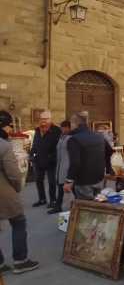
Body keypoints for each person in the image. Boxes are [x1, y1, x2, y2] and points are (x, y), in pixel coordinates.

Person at [0, 110, 39, 274]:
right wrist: (17, 188)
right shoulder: (4, 145)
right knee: (18, 222)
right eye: (9, 125)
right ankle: (20, 261)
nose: (10, 129)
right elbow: (13, 174)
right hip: (4, 193)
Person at [63, 113, 112, 200]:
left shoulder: (74, 139)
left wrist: (69, 180)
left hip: (83, 180)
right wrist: (107, 169)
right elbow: (109, 151)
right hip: (99, 177)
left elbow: (75, 162)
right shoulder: (98, 136)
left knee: (86, 208)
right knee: (99, 205)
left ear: (74, 124)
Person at [30, 110, 61, 208]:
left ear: (50, 119)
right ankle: (42, 199)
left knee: (52, 182)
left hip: (51, 161)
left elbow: (59, 147)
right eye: (41, 119)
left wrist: (52, 157)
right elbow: (35, 144)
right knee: (39, 180)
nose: (43, 121)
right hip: (38, 160)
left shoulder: (57, 130)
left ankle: (53, 200)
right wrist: (32, 155)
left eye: (46, 119)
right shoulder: (37, 130)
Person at [49, 120, 71, 214]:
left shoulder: (71, 138)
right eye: (61, 127)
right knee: (61, 187)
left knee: (68, 188)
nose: (62, 129)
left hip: (67, 166)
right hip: (60, 166)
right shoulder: (61, 137)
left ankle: (63, 206)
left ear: (68, 128)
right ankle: (58, 206)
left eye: (64, 127)